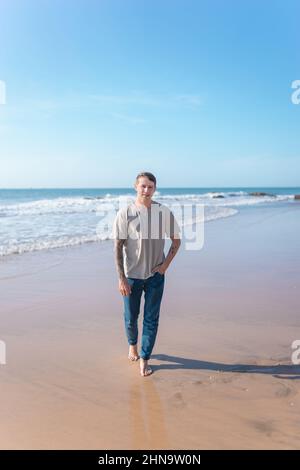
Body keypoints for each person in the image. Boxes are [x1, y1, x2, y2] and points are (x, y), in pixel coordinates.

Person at [113, 171, 181, 377]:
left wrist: (164, 266)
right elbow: (118, 246)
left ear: (155, 189)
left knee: (151, 319)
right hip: (132, 276)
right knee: (131, 318)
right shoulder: (125, 213)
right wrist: (121, 278)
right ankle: (132, 345)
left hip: (155, 277)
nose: (146, 190)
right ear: (135, 187)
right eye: (143, 186)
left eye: (150, 187)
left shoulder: (163, 212)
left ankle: (145, 358)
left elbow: (176, 240)